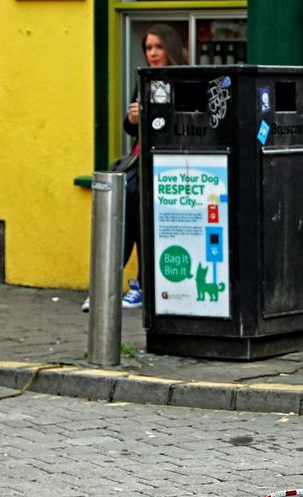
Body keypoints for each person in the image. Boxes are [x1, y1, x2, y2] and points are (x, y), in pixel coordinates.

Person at [83, 24, 186, 312]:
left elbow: (186, 125)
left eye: (158, 47)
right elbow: (131, 129)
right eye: (148, 48)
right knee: (122, 217)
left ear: (170, 48)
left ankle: (142, 284)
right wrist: (131, 118)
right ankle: (107, 285)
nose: (152, 53)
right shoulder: (144, 79)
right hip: (140, 161)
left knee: (146, 222)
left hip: (169, 165)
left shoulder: (183, 79)